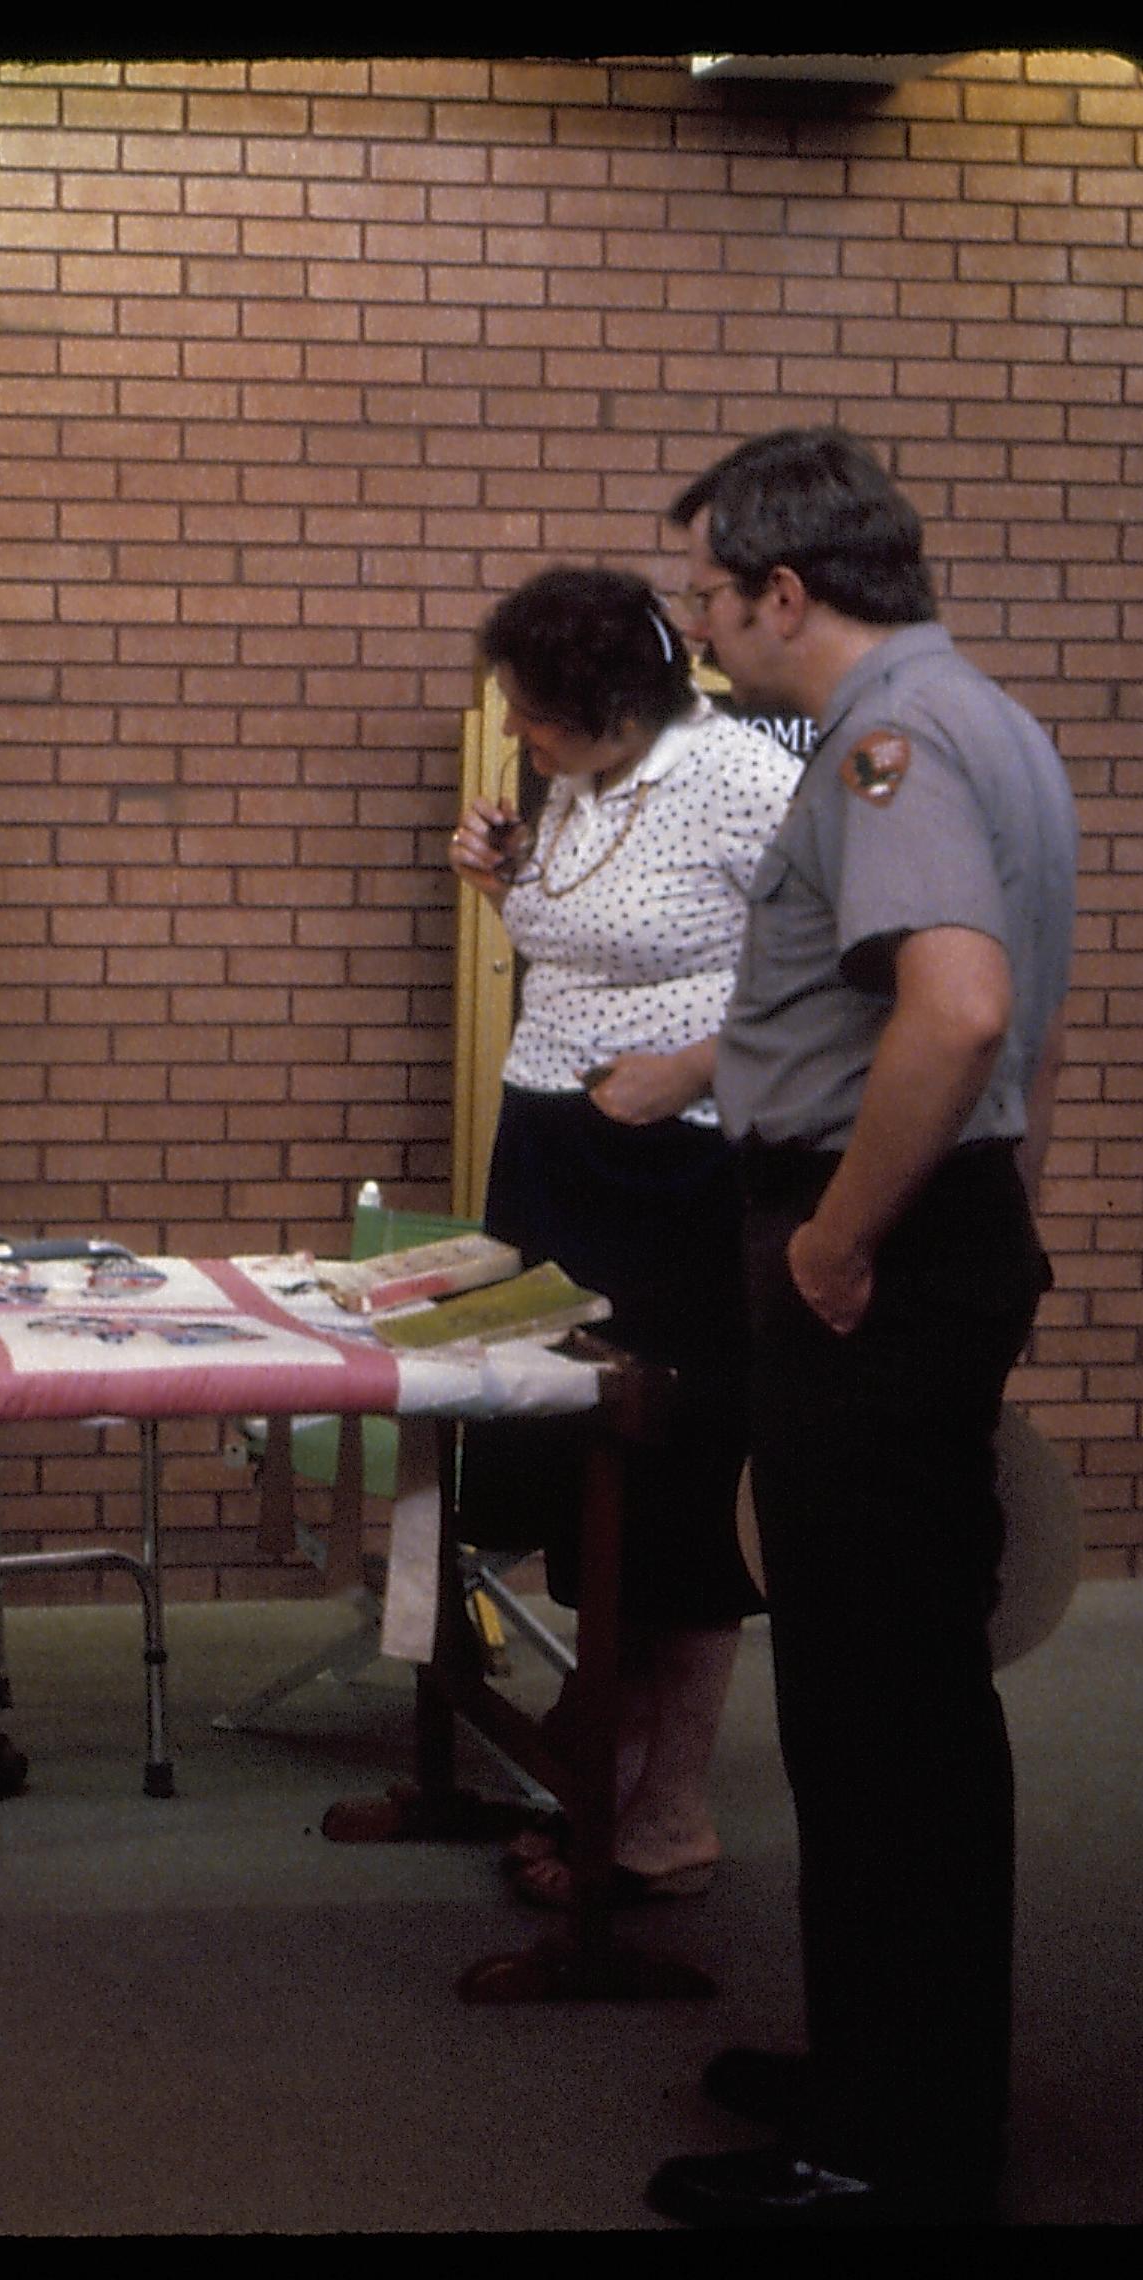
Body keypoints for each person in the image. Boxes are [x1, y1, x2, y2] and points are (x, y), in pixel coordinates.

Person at [644, 429, 1074, 2229]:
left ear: (785, 591)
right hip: (932, 1245)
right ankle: (888, 2075)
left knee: (876, 1712)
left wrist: (833, 1240)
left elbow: (955, 1014)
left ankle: (888, 2154)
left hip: (878, 1266)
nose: (703, 639)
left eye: (708, 604)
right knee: (897, 1700)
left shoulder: (888, 743)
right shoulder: (978, 716)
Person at [444, 565, 801, 1914]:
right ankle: (612, 1765)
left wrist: (692, 1067)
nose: (524, 739)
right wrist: (505, 877)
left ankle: (670, 1810)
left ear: (615, 698)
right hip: (560, 1150)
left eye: (539, 717)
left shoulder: (745, 782)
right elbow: (585, 941)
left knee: (674, 1479)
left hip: (682, 1163)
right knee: (572, 1469)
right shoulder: (589, 781)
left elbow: (838, 978)